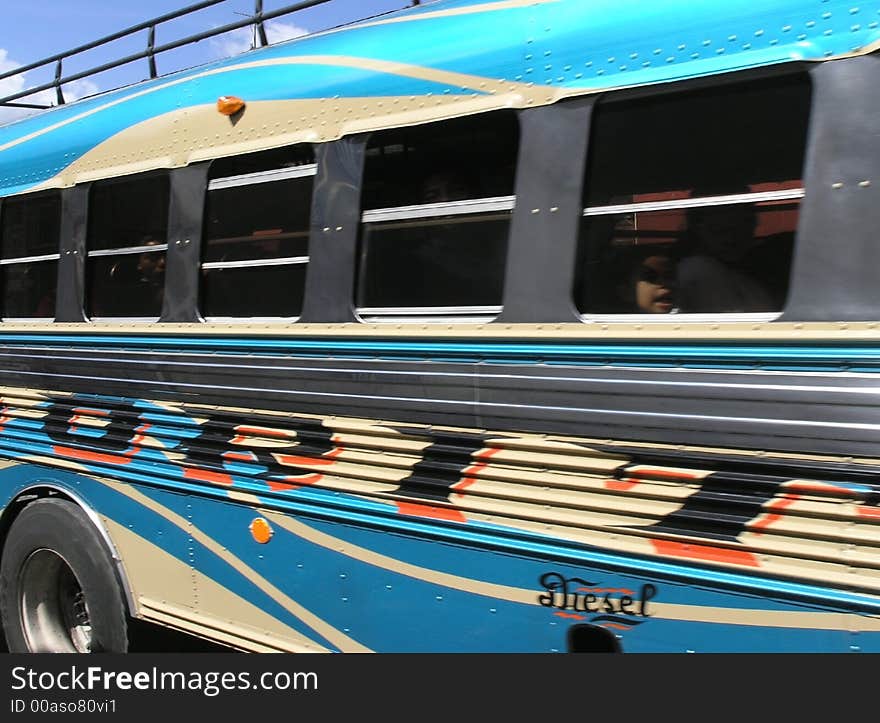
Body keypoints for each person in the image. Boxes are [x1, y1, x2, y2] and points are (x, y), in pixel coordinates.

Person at [676, 197, 776, 313]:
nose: (731, 240)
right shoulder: (699, 269)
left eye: (740, 230)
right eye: (719, 231)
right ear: (698, 232)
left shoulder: (743, 274)